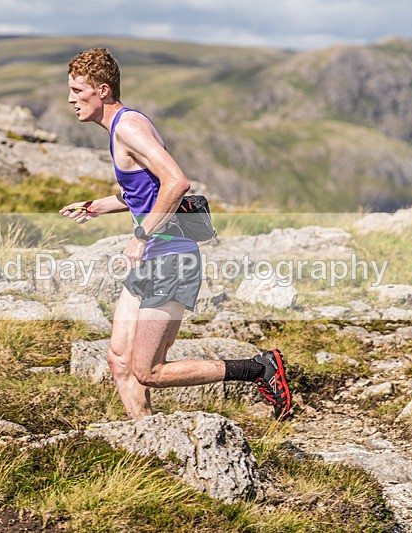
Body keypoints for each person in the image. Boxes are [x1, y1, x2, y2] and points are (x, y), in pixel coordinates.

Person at [59, 47, 291, 421]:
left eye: (77, 90)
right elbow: (146, 190)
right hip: (154, 258)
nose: (70, 99)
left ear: (102, 90)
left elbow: (176, 181)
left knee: (148, 371)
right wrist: (101, 205)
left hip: (170, 260)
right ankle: (147, 442)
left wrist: (140, 235)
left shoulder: (129, 127)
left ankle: (259, 368)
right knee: (119, 358)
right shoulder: (122, 126)